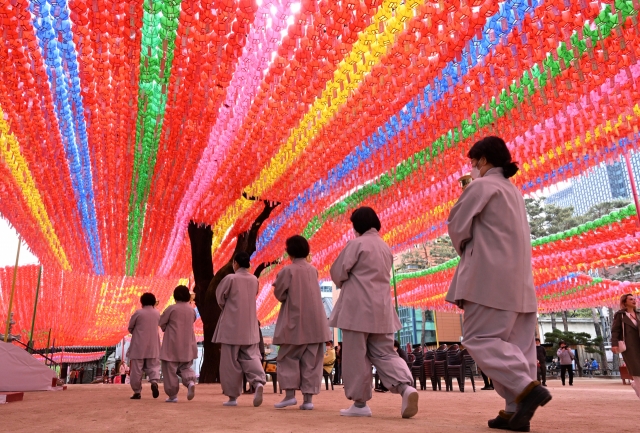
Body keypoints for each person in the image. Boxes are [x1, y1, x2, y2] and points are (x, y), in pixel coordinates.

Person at [445, 137, 551, 431]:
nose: (472, 168)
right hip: (520, 282)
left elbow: (456, 225)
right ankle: (516, 409)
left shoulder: (480, 186)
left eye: (473, 162)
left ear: (482, 160)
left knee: (480, 339)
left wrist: (467, 247)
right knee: (518, 347)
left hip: (489, 279)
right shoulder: (512, 191)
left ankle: (526, 389)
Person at [329, 206, 418, 418]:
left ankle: (360, 405)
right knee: (385, 352)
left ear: (356, 225)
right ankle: (406, 388)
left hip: (357, 309)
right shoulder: (385, 247)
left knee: (356, 356)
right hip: (383, 310)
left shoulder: (357, 244)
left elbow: (338, 272)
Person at [271, 235, 332, 410]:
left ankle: (290, 395)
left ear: (289, 251)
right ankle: (308, 400)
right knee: (311, 361)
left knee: (288, 356)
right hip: (316, 323)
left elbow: (280, 294)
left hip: (295, 321)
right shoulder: (313, 270)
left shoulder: (287, 271)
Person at [213, 252, 266, 407]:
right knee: (251, 357)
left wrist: (228, 308)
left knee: (230, 362)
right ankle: (258, 383)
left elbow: (220, 298)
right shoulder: (254, 280)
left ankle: (232, 397)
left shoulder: (230, 278)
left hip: (231, 326)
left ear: (235, 263)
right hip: (250, 326)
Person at [159, 285, 198, 403]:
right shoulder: (191, 310)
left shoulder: (172, 309)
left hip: (172, 343)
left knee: (169, 368)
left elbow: (161, 322)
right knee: (185, 367)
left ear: (175, 296)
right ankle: (190, 382)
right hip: (188, 344)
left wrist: (165, 327)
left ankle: (172, 395)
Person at [127, 292, 161, 400]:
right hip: (153, 346)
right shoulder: (157, 313)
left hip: (139, 345)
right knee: (153, 366)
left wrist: (136, 332)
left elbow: (130, 327)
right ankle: (154, 382)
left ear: (142, 302)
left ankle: (137, 391)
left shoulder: (139, 313)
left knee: (136, 370)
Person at [612, 293, 640, 398]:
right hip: (630, 347)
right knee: (636, 371)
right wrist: (614, 344)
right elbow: (615, 331)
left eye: (634, 299)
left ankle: (635, 385)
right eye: (631, 299)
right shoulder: (620, 315)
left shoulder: (638, 313)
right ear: (625, 302)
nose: (634, 301)